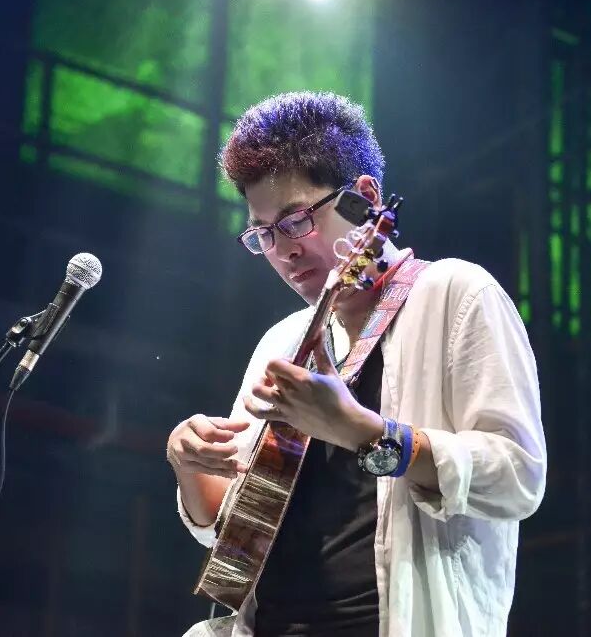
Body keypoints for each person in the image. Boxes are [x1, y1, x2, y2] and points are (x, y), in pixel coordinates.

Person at [166, 91, 547, 637]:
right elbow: (229, 528)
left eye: (296, 220)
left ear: (363, 198)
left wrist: (365, 433)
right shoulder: (282, 341)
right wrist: (191, 467)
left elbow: (517, 476)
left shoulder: (455, 293)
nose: (283, 251)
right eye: (264, 233)